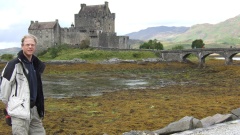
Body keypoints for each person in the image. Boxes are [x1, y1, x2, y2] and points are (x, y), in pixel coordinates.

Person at [0, 34, 46, 135]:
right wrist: (9, 105)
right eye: (27, 44)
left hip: (34, 110)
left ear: (35, 46)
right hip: (19, 111)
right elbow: (4, 86)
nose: (30, 47)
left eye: (32, 45)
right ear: (22, 46)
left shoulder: (36, 64)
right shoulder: (13, 64)